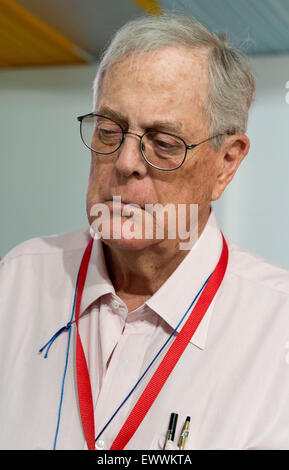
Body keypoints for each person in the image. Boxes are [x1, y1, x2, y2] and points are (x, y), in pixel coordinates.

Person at [1, 13, 289, 451]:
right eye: (109, 130)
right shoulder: (17, 281)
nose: (125, 162)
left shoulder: (276, 330)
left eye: (164, 142)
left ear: (226, 162)